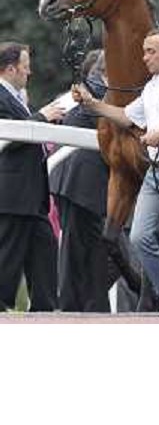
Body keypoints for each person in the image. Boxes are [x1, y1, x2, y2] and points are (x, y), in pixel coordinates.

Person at [72, 27, 159, 312]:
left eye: (151, 51)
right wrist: (91, 103)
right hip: (156, 172)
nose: (144, 57)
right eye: (144, 51)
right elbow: (125, 116)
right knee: (139, 238)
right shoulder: (152, 87)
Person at [0, 41, 65, 311]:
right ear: (11, 69)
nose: (30, 73)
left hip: (32, 194)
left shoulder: (17, 97)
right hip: (11, 193)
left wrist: (48, 119)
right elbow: (10, 135)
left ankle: (45, 310)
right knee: (7, 256)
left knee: (45, 247)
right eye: (26, 68)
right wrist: (42, 116)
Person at [49, 49, 112, 312]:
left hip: (76, 181)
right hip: (81, 183)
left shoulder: (91, 88)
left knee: (85, 250)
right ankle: (80, 307)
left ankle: (86, 306)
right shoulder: (98, 91)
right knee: (84, 251)